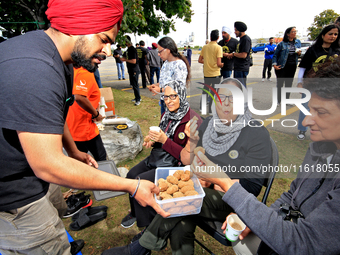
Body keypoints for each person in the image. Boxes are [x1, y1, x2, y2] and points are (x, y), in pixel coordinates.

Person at [0, 1, 169, 254]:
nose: (109, 51)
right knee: (50, 245)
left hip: (35, 177)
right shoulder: (35, 68)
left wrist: (74, 151)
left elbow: (55, 117)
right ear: (78, 25)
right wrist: (131, 186)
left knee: (57, 218)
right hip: (15, 195)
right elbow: (48, 164)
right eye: (104, 39)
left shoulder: (62, 61)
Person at [106, 78, 272, 255]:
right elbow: (187, 160)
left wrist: (217, 181)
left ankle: (141, 247)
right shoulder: (209, 124)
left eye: (233, 98)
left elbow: (253, 186)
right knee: (182, 221)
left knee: (179, 203)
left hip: (229, 198)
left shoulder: (256, 133)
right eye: (221, 97)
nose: (225, 103)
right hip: (199, 188)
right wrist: (191, 142)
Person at [120, 80, 202, 229]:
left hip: (177, 165)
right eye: (165, 97)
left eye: (173, 97)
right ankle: (134, 212)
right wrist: (152, 140)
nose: (168, 101)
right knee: (131, 175)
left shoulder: (193, 121)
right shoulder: (167, 114)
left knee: (140, 183)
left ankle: (147, 227)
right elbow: (162, 134)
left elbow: (188, 159)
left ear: (182, 96)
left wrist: (164, 140)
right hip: (159, 157)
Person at [296, 24, 339, 141]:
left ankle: (324, 132)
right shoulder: (313, 50)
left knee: (327, 110)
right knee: (306, 108)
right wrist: (300, 83)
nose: (333, 36)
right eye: (330, 34)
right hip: (311, 84)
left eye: (336, 34)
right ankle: (302, 130)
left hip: (331, 87)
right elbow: (303, 68)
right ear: (323, 35)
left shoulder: (337, 51)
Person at [66, 67, 107, 161]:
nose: (100, 62)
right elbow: (80, 97)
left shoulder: (72, 70)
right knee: (101, 159)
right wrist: (96, 114)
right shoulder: (84, 73)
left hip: (72, 125)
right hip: (84, 127)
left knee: (78, 162)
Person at [148, 37, 190, 114]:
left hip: (174, 105)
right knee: (164, 125)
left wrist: (160, 90)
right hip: (165, 102)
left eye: (160, 51)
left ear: (168, 50)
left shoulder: (179, 65)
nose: (158, 54)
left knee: (172, 125)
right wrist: (155, 86)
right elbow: (165, 81)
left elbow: (178, 88)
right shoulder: (166, 63)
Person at [272, 26, 301, 105]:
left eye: (295, 31)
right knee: (280, 84)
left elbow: (298, 52)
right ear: (288, 34)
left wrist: (299, 53)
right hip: (282, 66)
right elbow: (275, 55)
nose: (295, 33)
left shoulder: (297, 42)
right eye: (293, 32)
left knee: (289, 84)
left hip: (292, 66)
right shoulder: (282, 44)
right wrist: (274, 65)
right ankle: (278, 100)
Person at [198, 29, 223, 113]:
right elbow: (219, 63)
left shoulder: (205, 47)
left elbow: (199, 60)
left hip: (207, 73)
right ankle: (211, 110)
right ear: (218, 38)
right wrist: (222, 65)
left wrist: (207, 62)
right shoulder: (219, 47)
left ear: (210, 37)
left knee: (205, 90)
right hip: (215, 73)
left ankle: (202, 108)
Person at [121, 35, 141, 106]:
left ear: (127, 42)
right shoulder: (127, 50)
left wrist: (125, 59)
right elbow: (123, 57)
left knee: (135, 85)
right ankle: (137, 97)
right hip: (130, 70)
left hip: (134, 69)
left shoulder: (132, 49)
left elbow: (134, 61)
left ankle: (138, 99)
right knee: (133, 85)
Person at [233, 21, 252, 87]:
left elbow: (244, 55)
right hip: (238, 67)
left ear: (240, 30)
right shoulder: (241, 40)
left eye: (236, 30)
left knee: (241, 87)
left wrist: (233, 54)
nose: (235, 32)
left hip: (242, 68)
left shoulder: (246, 39)